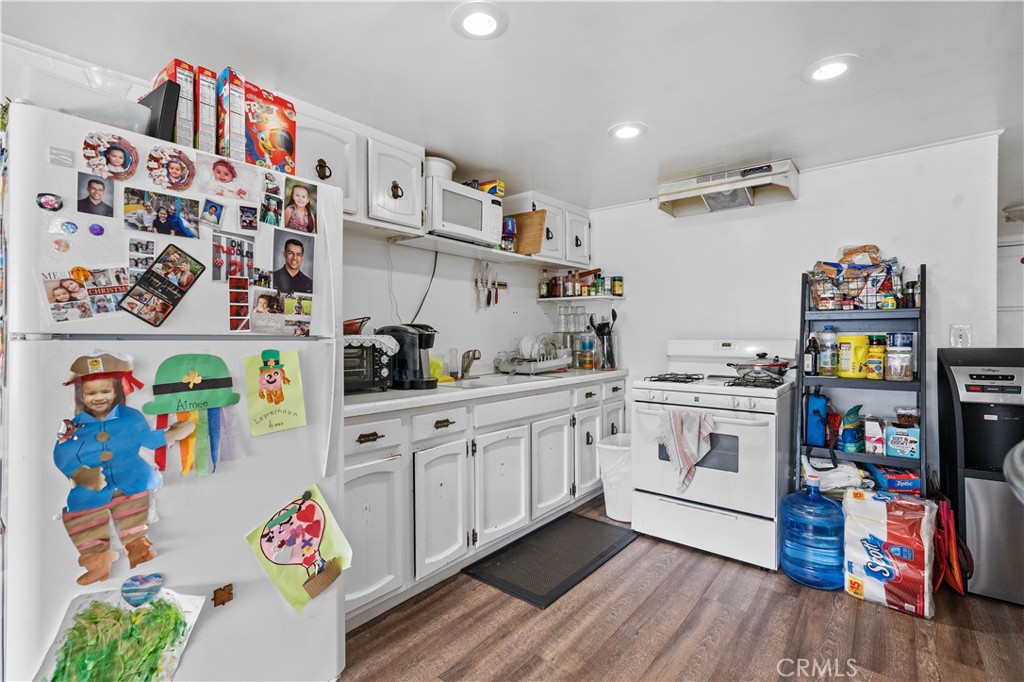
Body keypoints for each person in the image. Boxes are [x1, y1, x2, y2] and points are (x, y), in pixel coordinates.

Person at [53, 354, 195, 584]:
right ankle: (98, 566)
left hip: (132, 483)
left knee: (134, 528)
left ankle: (140, 554)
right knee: (86, 528)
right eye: (91, 393)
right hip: (89, 493)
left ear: (117, 391)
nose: (99, 398)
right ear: (81, 395)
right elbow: (62, 454)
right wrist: (79, 474)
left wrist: (170, 434)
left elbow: (148, 439)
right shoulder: (74, 427)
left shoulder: (131, 417)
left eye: (105, 391)